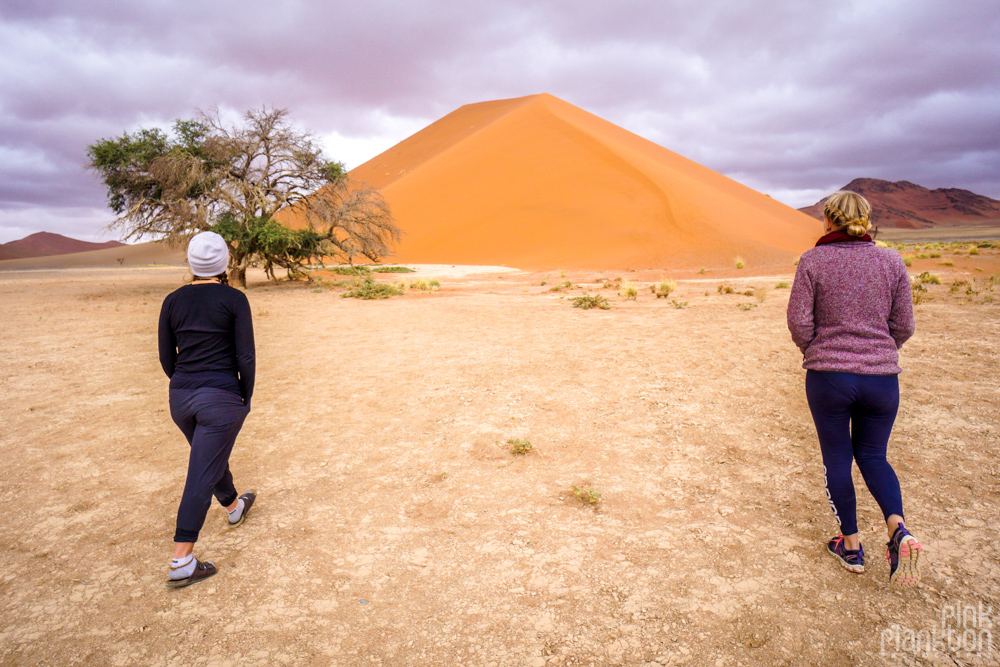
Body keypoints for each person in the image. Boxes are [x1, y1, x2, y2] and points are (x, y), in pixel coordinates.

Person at [786, 191, 922, 588]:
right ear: (866, 219)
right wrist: (880, 352)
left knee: (837, 459)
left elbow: (798, 321)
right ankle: (899, 530)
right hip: (882, 379)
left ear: (828, 221)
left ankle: (851, 545)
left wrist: (816, 350)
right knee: (874, 456)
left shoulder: (813, 261)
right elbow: (905, 324)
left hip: (829, 377)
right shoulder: (891, 261)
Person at [158, 231, 257, 588]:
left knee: (208, 460)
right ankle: (182, 559)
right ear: (225, 263)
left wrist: (185, 384)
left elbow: (166, 358)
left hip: (181, 397)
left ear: (191, 263)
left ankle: (233, 507)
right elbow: (245, 355)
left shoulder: (173, 300)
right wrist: (244, 396)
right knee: (200, 472)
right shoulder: (234, 299)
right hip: (220, 397)